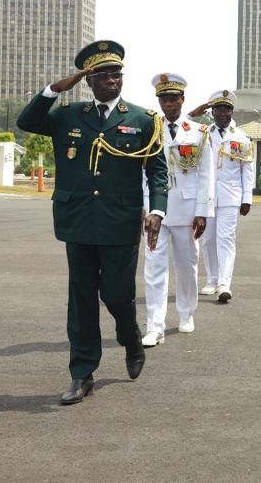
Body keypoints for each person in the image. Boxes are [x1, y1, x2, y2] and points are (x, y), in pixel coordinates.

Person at [17, 40, 168, 405]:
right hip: (78, 221)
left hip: (119, 221)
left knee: (117, 295)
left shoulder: (143, 120)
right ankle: (82, 373)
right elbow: (27, 121)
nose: (111, 81)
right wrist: (55, 89)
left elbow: (158, 173)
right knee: (81, 299)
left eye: (116, 74)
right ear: (89, 80)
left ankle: (130, 337)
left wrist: (157, 212)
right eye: (102, 75)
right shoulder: (68, 115)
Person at [141, 74, 215, 346]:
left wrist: (203, 211)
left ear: (183, 100)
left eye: (174, 98)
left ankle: (186, 313)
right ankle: (155, 325)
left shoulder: (198, 132)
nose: (169, 103)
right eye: (164, 98)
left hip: (186, 209)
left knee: (187, 266)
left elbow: (206, 175)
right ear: (158, 101)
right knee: (154, 267)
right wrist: (142, 207)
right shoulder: (148, 129)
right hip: (154, 210)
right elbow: (139, 173)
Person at [193, 89, 254, 303]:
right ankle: (212, 279)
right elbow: (179, 130)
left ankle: (224, 283)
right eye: (218, 108)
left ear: (232, 111)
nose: (222, 113)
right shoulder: (202, 133)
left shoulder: (241, 137)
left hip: (230, 195)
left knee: (225, 239)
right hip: (206, 195)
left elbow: (247, 169)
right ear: (212, 112)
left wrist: (247, 198)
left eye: (226, 109)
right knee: (208, 239)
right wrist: (192, 114)